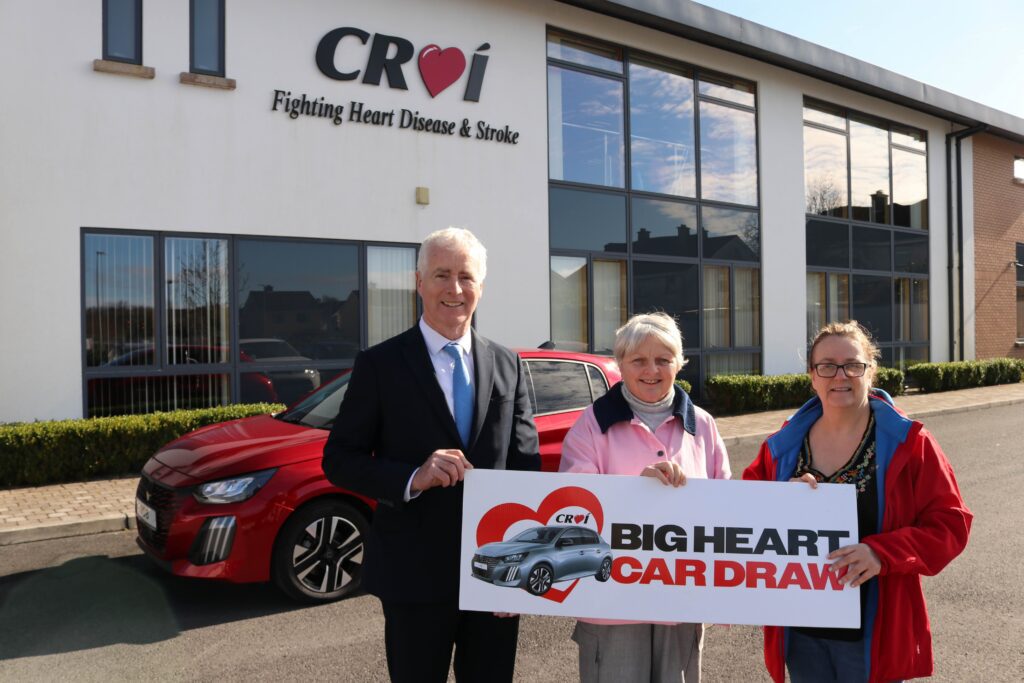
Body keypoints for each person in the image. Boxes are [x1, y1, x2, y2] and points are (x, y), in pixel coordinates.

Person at [322, 227, 540, 683]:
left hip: (495, 575)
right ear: (418, 282)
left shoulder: (508, 363)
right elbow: (339, 458)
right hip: (413, 576)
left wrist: (519, 573)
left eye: (466, 276)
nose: (454, 289)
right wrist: (411, 478)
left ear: (481, 286)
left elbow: (525, 469)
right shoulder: (380, 365)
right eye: (442, 274)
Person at [743, 321, 973, 683]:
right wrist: (779, 499)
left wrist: (883, 553)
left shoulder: (910, 443)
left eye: (853, 364)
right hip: (802, 632)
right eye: (827, 366)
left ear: (871, 370)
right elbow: (742, 514)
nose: (840, 376)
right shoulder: (780, 448)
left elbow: (950, 525)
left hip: (874, 631)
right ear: (812, 376)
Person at [558, 312, 731, 683]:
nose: (651, 369)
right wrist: (637, 493)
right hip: (611, 603)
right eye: (638, 360)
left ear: (680, 364)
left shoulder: (704, 424)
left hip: (683, 599)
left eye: (663, 359)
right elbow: (574, 506)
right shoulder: (591, 425)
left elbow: (727, 507)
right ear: (620, 364)